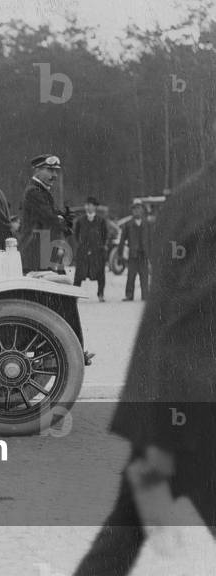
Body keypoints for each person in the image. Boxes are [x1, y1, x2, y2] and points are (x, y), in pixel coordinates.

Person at [72, 162, 216, 576]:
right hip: (194, 406)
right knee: (121, 534)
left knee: (121, 535)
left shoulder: (189, 195)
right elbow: (196, 319)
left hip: (163, 397)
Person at [18, 154, 69, 273]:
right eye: (50, 170)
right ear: (37, 170)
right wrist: (60, 220)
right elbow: (50, 219)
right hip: (37, 253)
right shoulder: (34, 192)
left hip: (44, 250)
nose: (55, 175)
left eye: (56, 171)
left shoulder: (41, 191)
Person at [72, 197, 109, 302]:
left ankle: (100, 294)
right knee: (79, 275)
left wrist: (101, 246)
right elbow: (76, 235)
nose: (88, 207)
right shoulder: (80, 220)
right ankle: (75, 296)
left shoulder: (101, 221)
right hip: (83, 253)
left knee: (100, 274)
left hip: (97, 253)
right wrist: (80, 246)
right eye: (86, 205)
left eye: (90, 205)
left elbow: (105, 235)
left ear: (95, 207)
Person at [120, 202, 151, 301]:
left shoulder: (148, 224)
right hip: (133, 255)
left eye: (139, 208)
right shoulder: (128, 225)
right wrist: (121, 254)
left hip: (144, 255)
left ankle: (145, 295)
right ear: (132, 211)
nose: (137, 211)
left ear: (142, 210)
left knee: (144, 277)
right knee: (131, 276)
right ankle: (129, 295)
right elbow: (122, 240)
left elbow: (152, 239)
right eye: (135, 209)